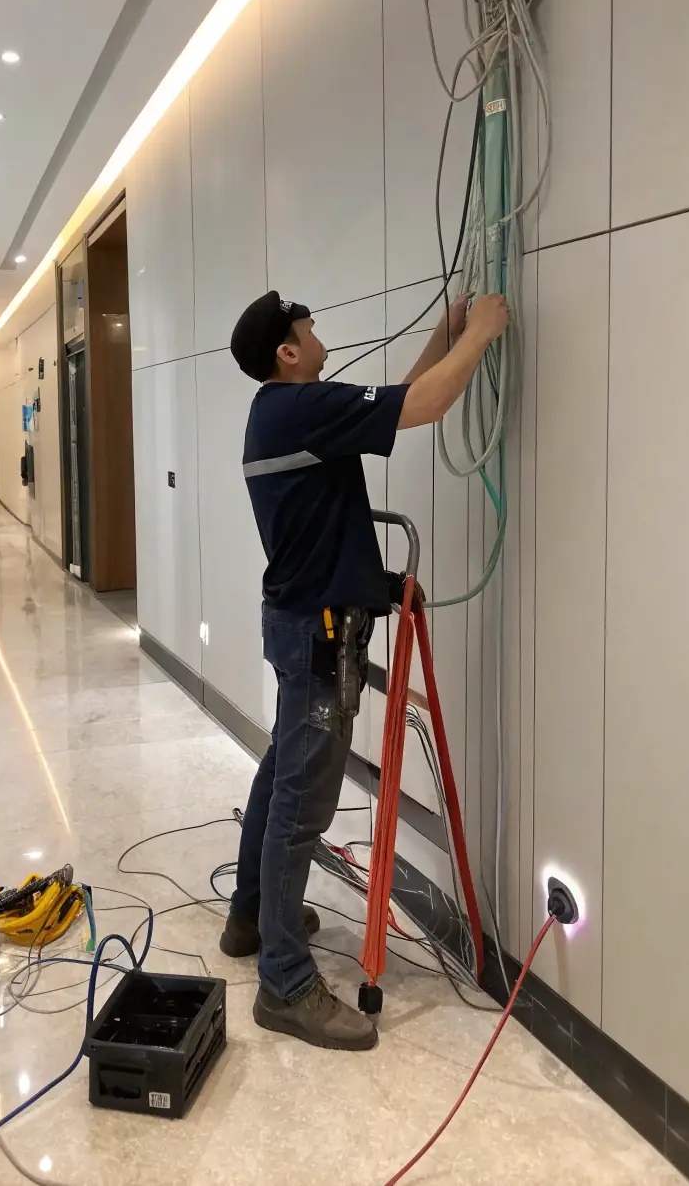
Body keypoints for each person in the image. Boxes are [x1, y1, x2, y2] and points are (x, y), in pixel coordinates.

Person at [221, 288, 510, 1050]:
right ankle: (284, 984)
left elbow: (399, 402)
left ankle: (250, 916)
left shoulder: (281, 413)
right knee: (299, 810)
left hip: (296, 617)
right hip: (317, 635)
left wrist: (448, 332)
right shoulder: (303, 409)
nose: (320, 335)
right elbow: (427, 407)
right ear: (288, 351)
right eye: (309, 328)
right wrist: (480, 334)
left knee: (280, 770)